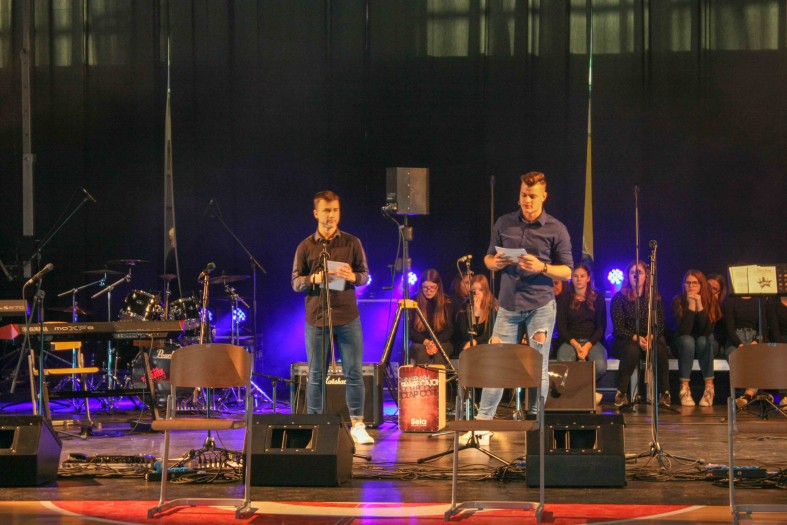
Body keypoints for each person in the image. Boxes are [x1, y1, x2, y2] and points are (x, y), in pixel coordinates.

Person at [467, 171, 572, 445]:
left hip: (541, 305)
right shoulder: (504, 222)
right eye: (524, 195)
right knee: (496, 363)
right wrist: (494, 263)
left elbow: (567, 272)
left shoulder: (556, 228)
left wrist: (542, 267)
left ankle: (536, 422)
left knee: (537, 364)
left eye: (533, 196)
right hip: (509, 305)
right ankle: (482, 425)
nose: (527, 200)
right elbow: (488, 258)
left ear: (544, 196)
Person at [291, 190, 373, 445]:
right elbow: (295, 282)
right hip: (317, 318)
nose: (331, 215)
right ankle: (314, 425)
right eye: (326, 210)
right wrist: (312, 279)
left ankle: (358, 424)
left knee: (354, 372)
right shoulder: (305, 246)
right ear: (316, 213)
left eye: (335, 210)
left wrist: (353, 277)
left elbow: (364, 275)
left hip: (347, 316)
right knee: (316, 374)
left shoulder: (352, 242)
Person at [609, 260, 671, 408]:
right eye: (632, 273)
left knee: (659, 349)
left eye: (640, 273)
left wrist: (650, 337)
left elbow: (660, 325)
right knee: (632, 350)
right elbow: (618, 328)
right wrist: (636, 338)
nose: (636, 276)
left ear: (646, 276)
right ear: (628, 276)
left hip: (649, 338)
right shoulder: (619, 298)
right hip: (626, 339)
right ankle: (621, 393)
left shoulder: (654, 298)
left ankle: (665, 393)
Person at [555, 264, 607, 405]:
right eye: (575, 276)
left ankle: (577, 392)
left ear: (588, 278)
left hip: (592, 341)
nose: (579, 279)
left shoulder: (598, 298)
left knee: (600, 366)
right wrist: (577, 345)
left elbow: (601, 327)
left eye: (582, 276)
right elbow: (561, 327)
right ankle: (587, 394)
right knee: (565, 364)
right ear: (571, 278)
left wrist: (587, 346)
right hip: (570, 340)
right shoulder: (563, 299)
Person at [671, 270, 722, 407]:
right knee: (688, 340)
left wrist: (700, 306)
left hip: (706, 342)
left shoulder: (710, 300)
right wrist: (691, 306)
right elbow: (684, 331)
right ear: (684, 285)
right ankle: (684, 388)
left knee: (703, 340)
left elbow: (707, 331)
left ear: (701, 285)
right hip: (683, 344)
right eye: (688, 283)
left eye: (695, 283)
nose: (691, 286)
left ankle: (709, 388)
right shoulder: (678, 300)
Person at [409, 269, 454, 366]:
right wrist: (426, 342)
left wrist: (435, 343)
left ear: (438, 286)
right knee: (420, 351)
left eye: (432, 287)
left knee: (441, 352)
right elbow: (409, 330)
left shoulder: (447, 301)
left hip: (441, 341)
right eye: (425, 287)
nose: (428, 291)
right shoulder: (413, 302)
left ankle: (438, 376)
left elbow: (449, 329)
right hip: (420, 342)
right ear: (420, 286)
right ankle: (424, 376)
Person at [455, 274, 498, 353]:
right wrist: (474, 313)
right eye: (474, 290)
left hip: (484, 346)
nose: (477, 293)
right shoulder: (464, 307)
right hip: (467, 344)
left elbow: (489, 334)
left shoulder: (492, 308)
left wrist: (476, 341)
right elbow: (464, 335)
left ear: (486, 291)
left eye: (480, 290)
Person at [706, 273, 728, 354]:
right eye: (708, 286)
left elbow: (721, 333)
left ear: (719, 292)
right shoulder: (696, 303)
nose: (709, 290)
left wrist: (713, 306)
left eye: (714, 289)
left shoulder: (723, 308)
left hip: (715, 340)